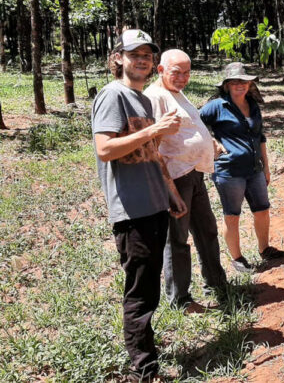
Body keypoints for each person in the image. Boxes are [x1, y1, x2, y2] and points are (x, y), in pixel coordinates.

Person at [91, 29, 185, 380]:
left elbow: (150, 152)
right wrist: (152, 130)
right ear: (118, 58)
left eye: (147, 55)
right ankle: (143, 370)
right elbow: (104, 149)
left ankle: (147, 354)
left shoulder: (143, 100)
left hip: (154, 204)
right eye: (135, 54)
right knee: (140, 292)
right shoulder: (112, 95)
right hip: (131, 210)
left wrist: (169, 191)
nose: (142, 60)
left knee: (149, 286)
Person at [144, 49, 228, 314]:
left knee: (207, 230)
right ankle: (179, 298)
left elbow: (188, 126)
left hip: (194, 173)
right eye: (176, 72)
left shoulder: (175, 92)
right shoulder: (154, 97)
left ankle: (216, 283)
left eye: (187, 73)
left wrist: (209, 141)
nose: (182, 78)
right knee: (177, 239)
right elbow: (152, 144)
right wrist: (169, 190)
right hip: (176, 178)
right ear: (160, 70)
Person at [200, 62, 284, 273]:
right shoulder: (217, 106)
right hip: (229, 171)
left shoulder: (252, 105)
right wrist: (211, 141)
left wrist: (266, 166)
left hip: (254, 169)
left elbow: (260, 136)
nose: (240, 85)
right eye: (234, 81)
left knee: (262, 210)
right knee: (232, 215)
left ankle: (264, 249)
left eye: (244, 81)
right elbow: (195, 124)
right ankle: (237, 258)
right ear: (227, 85)